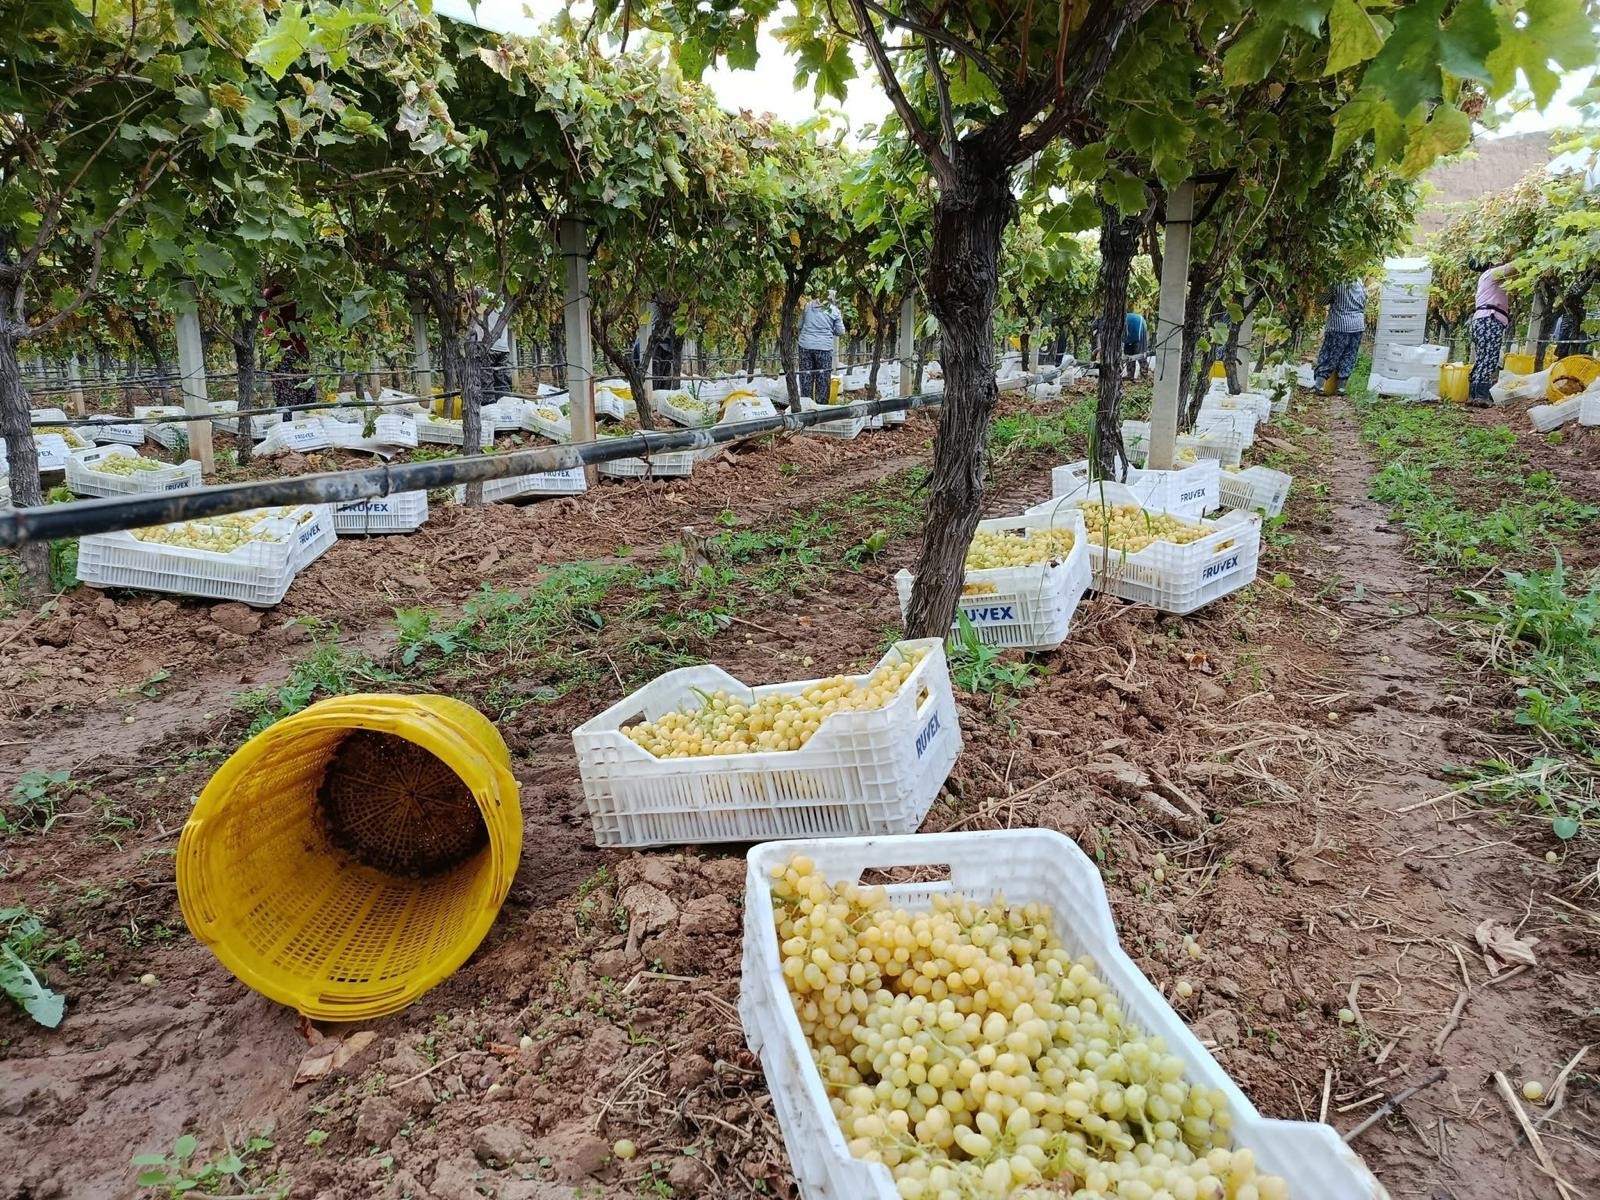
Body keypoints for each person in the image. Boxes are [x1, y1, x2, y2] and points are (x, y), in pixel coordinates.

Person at [1468, 258, 1515, 407]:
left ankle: (1475, 394)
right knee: (1489, 358)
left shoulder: (1487, 277)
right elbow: (1512, 267)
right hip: (1489, 319)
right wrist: (1528, 257)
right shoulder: (1491, 274)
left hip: (1484, 320)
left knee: (1483, 358)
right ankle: (1481, 396)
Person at [1313, 279, 1366, 394]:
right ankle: (1341, 387)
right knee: (1349, 355)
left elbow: (1322, 301)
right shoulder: (1359, 281)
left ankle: (1319, 385)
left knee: (1330, 353)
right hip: (1357, 324)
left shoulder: (1337, 281)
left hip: (1339, 324)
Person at [796, 290, 846, 408]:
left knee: (806, 377)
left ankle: (806, 407)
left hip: (805, 346)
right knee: (823, 379)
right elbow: (841, 331)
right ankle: (821, 408)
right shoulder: (834, 311)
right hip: (824, 347)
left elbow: (799, 325)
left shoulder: (807, 306)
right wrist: (828, 330)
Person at [1123, 312, 1149, 380]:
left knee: (1140, 352)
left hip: (1139, 326)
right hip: (1129, 332)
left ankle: (1144, 374)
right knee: (1128, 353)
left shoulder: (1108, 324)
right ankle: (1130, 374)